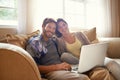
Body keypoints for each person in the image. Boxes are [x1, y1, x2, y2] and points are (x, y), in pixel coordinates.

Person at [26, 18, 91, 80]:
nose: (51, 30)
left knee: (85, 73)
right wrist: (57, 67)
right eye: (49, 27)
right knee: (84, 78)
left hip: (64, 67)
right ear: (43, 26)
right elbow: (32, 66)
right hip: (52, 71)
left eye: (54, 28)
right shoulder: (35, 42)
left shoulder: (53, 40)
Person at [56, 18, 120, 80]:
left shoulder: (79, 34)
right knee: (64, 55)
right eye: (60, 27)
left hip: (90, 59)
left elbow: (89, 46)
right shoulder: (60, 41)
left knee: (112, 62)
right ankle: (86, 67)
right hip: (77, 63)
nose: (63, 28)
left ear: (67, 24)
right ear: (58, 30)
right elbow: (62, 57)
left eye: (64, 25)